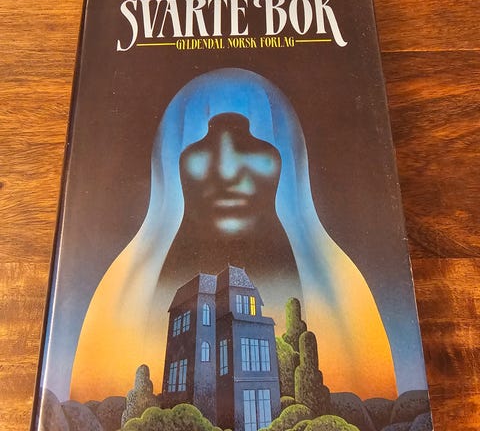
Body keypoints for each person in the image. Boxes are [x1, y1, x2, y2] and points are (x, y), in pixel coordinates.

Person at [71, 68, 396, 402]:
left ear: (289, 159)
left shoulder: (343, 297)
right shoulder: (126, 301)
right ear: (169, 163)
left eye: (251, 143)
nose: (227, 170)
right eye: (203, 144)